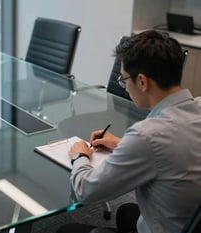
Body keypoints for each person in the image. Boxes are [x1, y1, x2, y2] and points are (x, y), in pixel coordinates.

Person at [57, 30, 201, 233]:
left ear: (142, 82)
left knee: (68, 230)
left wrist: (79, 155)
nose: (125, 88)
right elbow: (174, 147)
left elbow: (86, 192)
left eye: (124, 80)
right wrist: (121, 143)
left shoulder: (147, 135)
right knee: (126, 211)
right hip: (186, 219)